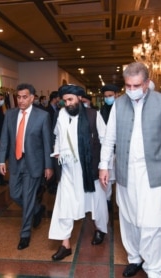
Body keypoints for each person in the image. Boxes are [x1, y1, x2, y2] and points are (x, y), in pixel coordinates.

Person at [99, 62, 161, 278]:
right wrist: (104, 165)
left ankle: (154, 267)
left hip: (154, 172)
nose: (131, 90)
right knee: (129, 218)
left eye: (136, 85)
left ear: (147, 83)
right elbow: (109, 137)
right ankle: (135, 258)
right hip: (125, 172)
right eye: (128, 86)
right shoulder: (119, 104)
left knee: (153, 222)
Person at [49, 84, 108, 261]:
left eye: (70, 100)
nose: (67, 104)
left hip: (90, 169)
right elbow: (58, 136)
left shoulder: (93, 115)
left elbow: (105, 141)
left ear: (80, 99)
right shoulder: (60, 114)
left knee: (96, 202)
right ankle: (65, 243)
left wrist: (104, 166)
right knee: (64, 204)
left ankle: (100, 229)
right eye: (64, 100)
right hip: (68, 169)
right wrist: (57, 150)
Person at [0, 83, 53, 250]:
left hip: (33, 163)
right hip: (15, 161)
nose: (20, 100)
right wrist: (1, 160)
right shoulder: (10, 114)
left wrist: (48, 166)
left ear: (32, 98)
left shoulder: (42, 116)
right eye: (18, 97)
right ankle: (37, 209)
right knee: (14, 194)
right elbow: (5, 139)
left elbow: (47, 143)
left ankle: (25, 234)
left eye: (24, 97)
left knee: (28, 197)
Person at [100, 84, 119, 206]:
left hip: (122, 147)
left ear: (117, 95)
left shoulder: (122, 108)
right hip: (108, 147)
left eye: (110, 96)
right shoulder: (102, 110)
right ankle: (107, 203)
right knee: (109, 178)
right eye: (106, 96)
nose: (108, 99)